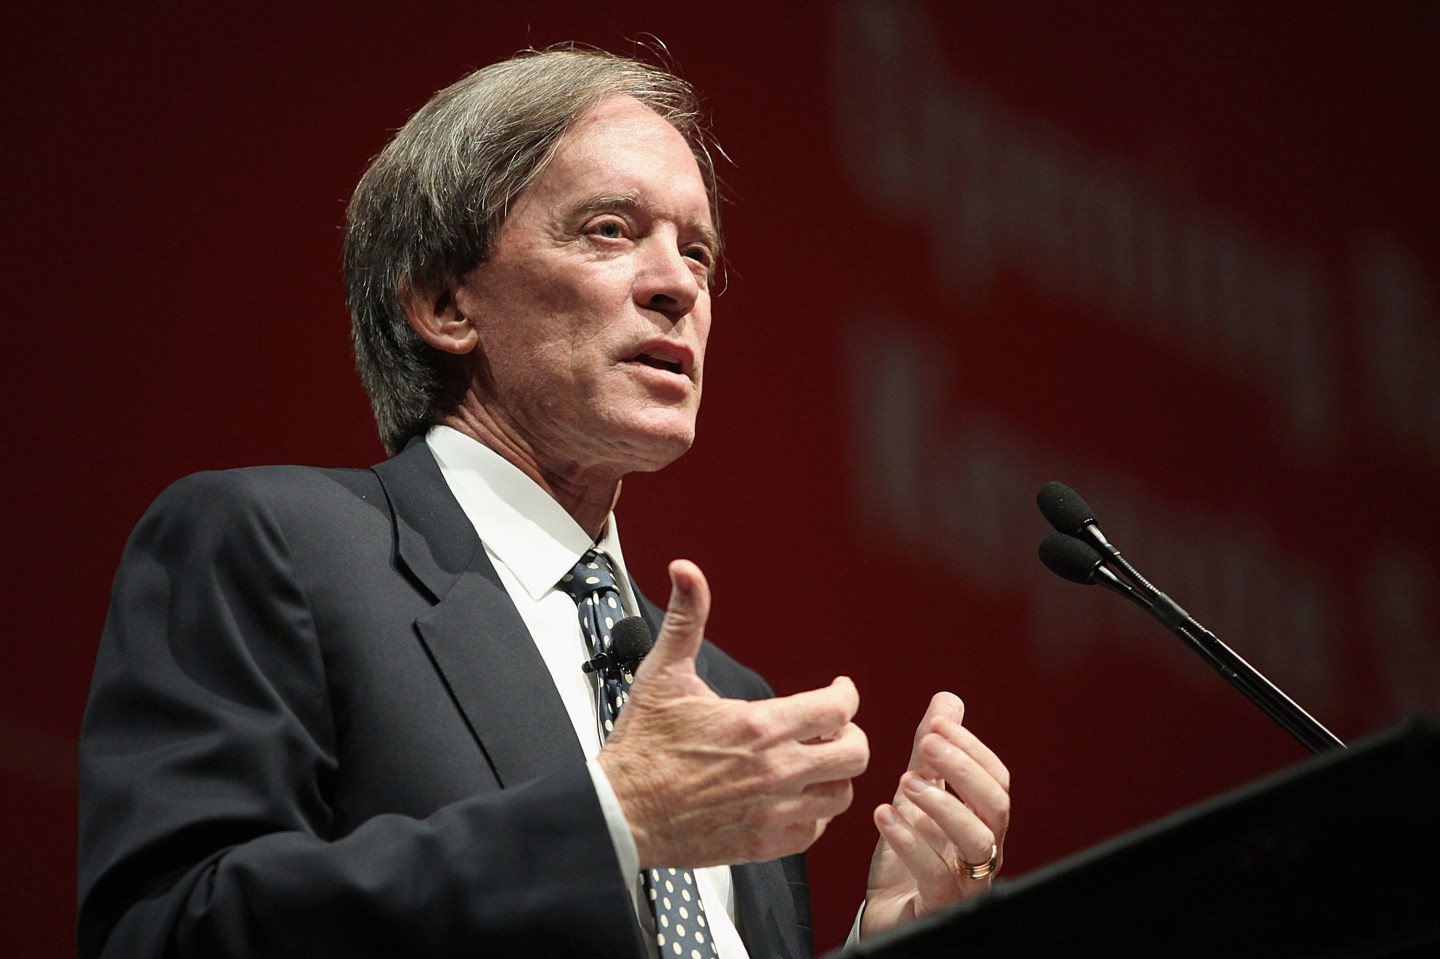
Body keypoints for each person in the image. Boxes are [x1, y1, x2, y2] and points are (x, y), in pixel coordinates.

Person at [78, 46, 1010, 959]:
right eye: (610, 229)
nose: (678, 284)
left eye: (697, 250)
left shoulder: (722, 700)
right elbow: (167, 929)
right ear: (447, 302)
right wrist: (614, 819)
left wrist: (883, 941)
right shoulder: (278, 549)